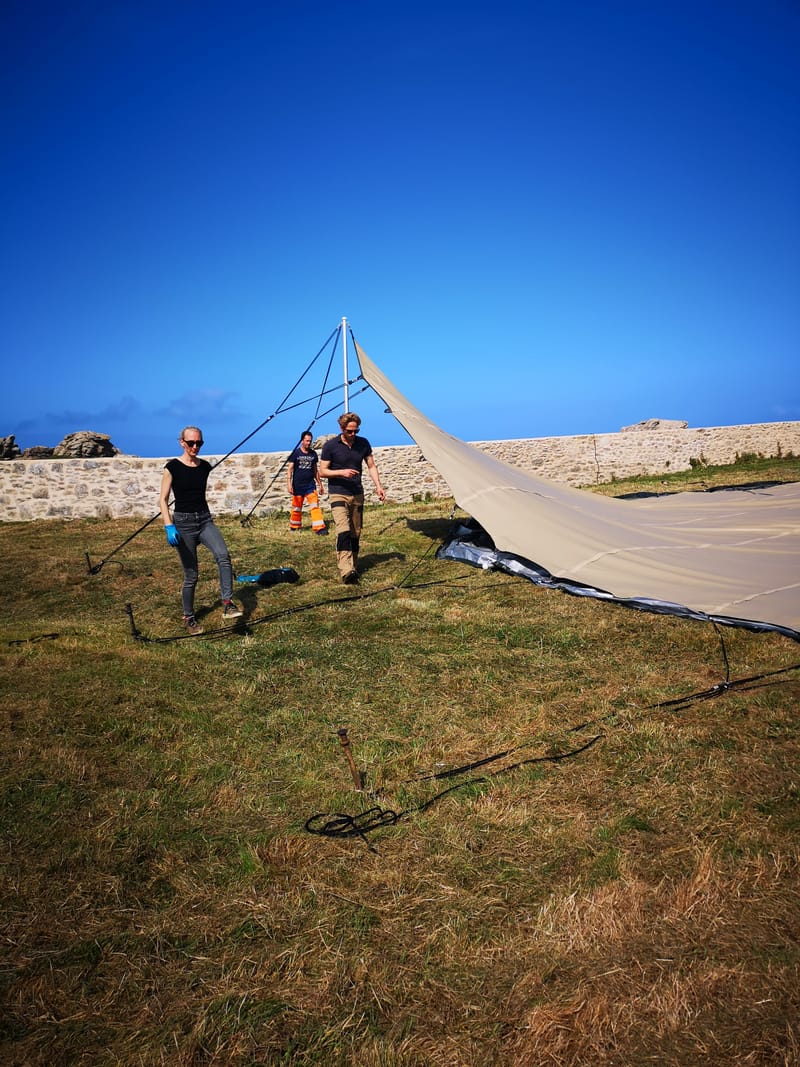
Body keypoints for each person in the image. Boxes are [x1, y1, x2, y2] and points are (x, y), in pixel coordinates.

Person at [159, 426, 243, 635]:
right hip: (183, 523)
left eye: (199, 443)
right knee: (191, 574)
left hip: (204, 520)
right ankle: (189, 617)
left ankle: (227, 603)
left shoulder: (205, 467)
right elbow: (163, 499)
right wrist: (169, 526)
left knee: (223, 556)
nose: (195, 447)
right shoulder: (172, 468)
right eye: (190, 443)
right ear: (182, 443)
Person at [318, 412, 386, 583]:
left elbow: (371, 466)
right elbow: (322, 471)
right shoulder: (330, 446)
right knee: (343, 529)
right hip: (337, 492)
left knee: (355, 532)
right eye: (349, 431)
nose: (353, 434)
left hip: (357, 493)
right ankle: (346, 570)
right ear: (342, 429)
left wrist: (378, 486)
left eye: (356, 431)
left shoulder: (363, 443)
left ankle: (353, 565)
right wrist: (341, 472)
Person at [286, 430, 327, 534]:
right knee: (296, 508)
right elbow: (290, 469)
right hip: (298, 486)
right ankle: (294, 526)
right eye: (306, 441)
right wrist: (289, 484)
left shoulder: (313, 454)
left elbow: (315, 470)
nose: (308, 443)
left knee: (315, 506)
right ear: (302, 441)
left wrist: (320, 484)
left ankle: (319, 528)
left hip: (310, 486)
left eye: (310, 441)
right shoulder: (296, 453)